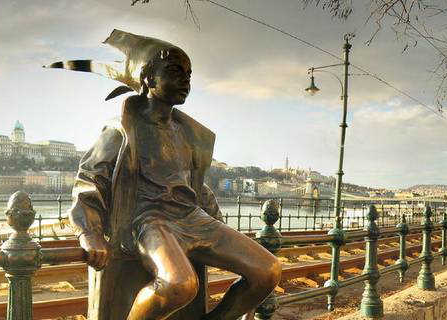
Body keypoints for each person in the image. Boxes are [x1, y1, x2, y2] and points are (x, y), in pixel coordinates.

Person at [47, 29, 281, 320]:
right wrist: (89, 233)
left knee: (268, 270)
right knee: (178, 284)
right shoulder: (121, 130)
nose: (185, 80)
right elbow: (89, 182)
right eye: (175, 71)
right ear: (148, 79)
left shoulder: (188, 135)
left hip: (193, 218)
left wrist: (218, 223)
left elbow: (193, 186)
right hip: (150, 222)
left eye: (189, 74)